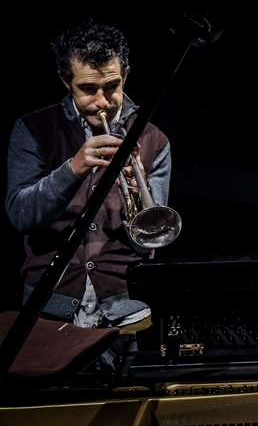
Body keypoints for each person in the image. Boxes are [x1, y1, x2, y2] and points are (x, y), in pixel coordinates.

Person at [5, 18, 171, 333]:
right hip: (47, 308)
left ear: (125, 75)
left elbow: (149, 243)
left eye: (112, 86)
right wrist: (73, 169)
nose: (102, 102)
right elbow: (21, 216)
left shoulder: (154, 140)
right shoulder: (33, 130)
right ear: (65, 81)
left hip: (129, 311)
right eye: (88, 89)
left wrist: (136, 195)